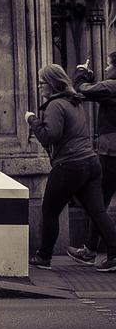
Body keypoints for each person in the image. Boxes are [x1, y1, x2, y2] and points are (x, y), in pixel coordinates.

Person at [26, 63, 116, 271]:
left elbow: (50, 136)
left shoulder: (55, 105)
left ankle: (44, 257)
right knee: (97, 211)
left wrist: (33, 121)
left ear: (52, 84)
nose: (39, 87)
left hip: (69, 165)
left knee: (49, 210)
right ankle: (113, 253)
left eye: (42, 83)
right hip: (91, 163)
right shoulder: (74, 102)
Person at [69, 53, 116, 265]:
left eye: (108, 65)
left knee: (99, 202)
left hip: (111, 152)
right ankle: (91, 247)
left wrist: (80, 73)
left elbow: (82, 91)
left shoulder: (111, 86)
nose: (106, 69)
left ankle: (91, 249)